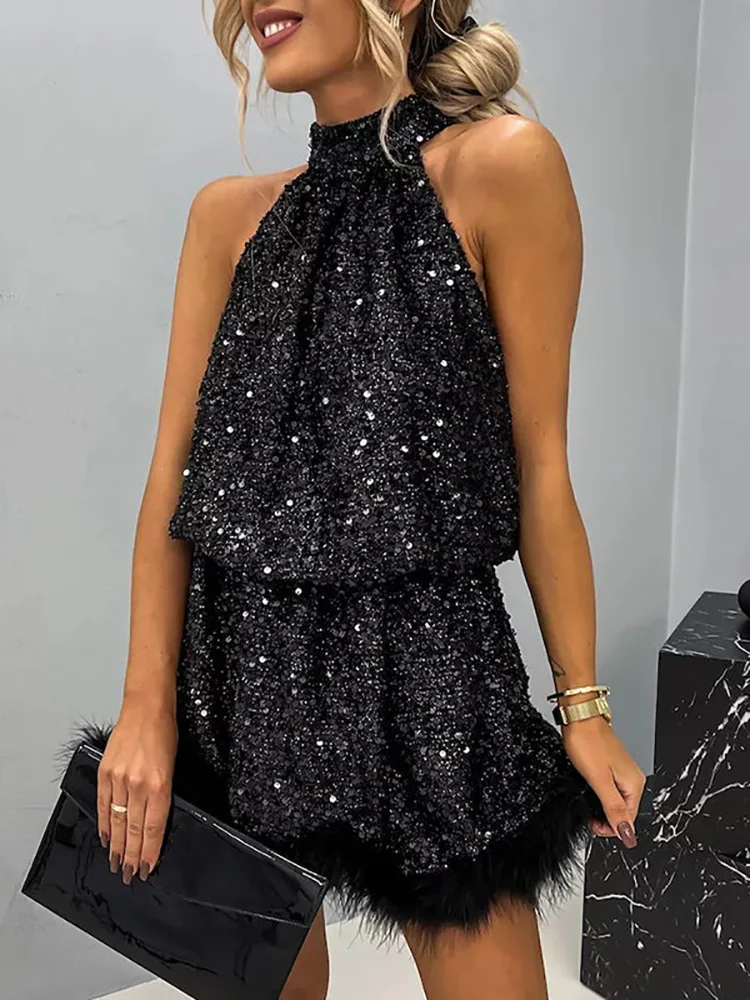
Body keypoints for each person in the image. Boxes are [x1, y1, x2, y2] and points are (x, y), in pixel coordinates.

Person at [95, 1, 646, 996]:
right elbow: (172, 484)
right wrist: (145, 710)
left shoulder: (503, 166)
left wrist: (583, 705)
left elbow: (542, 465)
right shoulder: (225, 220)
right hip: (241, 695)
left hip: (431, 691)